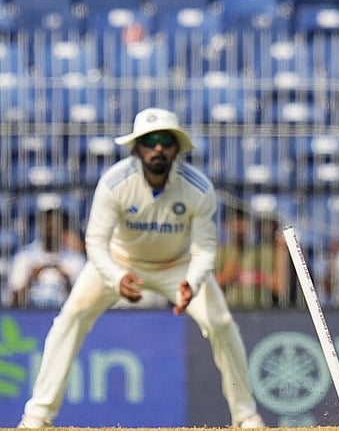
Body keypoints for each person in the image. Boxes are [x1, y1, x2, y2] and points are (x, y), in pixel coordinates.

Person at [17, 108, 265, 429]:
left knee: (221, 322)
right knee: (71, 316)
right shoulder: (115, 183)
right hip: (119, 262)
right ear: (136, 148)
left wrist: (191, 282)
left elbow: (204, 249)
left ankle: (246, 416)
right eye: (149, 141)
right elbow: (95, 243)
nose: (157, 148)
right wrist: (117, 277)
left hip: (178, 267)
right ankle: (37, 415)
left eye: (165, 141)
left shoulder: (198, 188)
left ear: (177, 148)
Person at [9, 194, 86, 309]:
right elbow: (13, 302)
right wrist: (31, 279)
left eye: (54, 220)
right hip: (30, 320)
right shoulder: (24, 256)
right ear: (39, 223)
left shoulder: (75, 259)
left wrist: (67, 282)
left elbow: (84, 305)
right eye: (46, 220)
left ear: (62, 224)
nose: (50, 226)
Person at [216, 206, 291, 309]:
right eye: (234, 221)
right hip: (228, 314)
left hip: (261, 314)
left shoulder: (264, 252)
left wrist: (281, 251)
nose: (238, 226)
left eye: (242, 220)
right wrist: (225, 276)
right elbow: (203, 290)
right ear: (225, 225)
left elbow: (280, 288)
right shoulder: (218, 252)